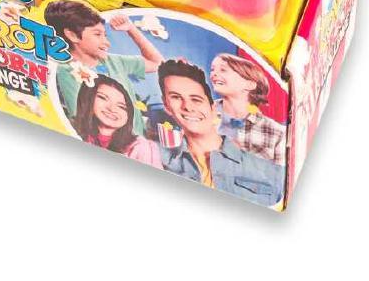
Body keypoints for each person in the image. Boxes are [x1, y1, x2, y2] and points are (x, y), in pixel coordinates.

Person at [157, 59, 284, 205]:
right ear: (166, 105)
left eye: (196, 99)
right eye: (176, 97)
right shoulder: (159, 160)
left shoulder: (270, 171)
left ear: (213, 108)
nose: (188, 107)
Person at [45, 0, 163, 137]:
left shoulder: (112, 61)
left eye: (105, 35)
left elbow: (158, 63)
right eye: (97, 34)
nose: (106, 43)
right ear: (72, 35)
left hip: (140, 141)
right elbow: (82, 122)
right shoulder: (65, 72)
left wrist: (131, 29)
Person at [209, 53, 286, 167]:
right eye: (212, 69)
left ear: (249, 84)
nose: (214, 74)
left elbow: (278, 175)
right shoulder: (201, 115)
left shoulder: (277, 133)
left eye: (223, 70)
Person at [72, 74, 163, 168]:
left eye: (121, 106)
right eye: (103, 98)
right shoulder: (71, 131)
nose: (112, 109)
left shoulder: (141, 147)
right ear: (88, 98)